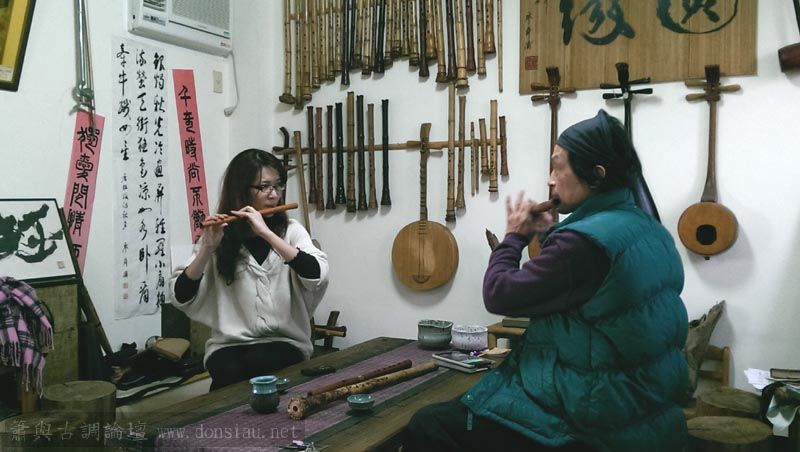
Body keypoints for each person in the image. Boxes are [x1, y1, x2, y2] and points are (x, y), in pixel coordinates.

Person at [403, 110, 689, 452]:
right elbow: (589, 293)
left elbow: (498, 294)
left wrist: (514, 237)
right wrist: (552, 235)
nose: (550, 180)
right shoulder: (649, 230)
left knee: (429, 425)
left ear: (596, 175)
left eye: (558, 167)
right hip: (642, 409)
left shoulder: (584, 243)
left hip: (592, 419)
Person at [169, 149, 329, 391]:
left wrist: (266, 233)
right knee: (227, 371)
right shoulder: (220, 235)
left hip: (285, 340)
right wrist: (207, 249)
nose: (274, 194)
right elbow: (181, 296)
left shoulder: (291, 230)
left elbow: (317, 274)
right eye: (264, 187)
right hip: (229, 344)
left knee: (262, 361)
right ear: (241, 191)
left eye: (278, 185)